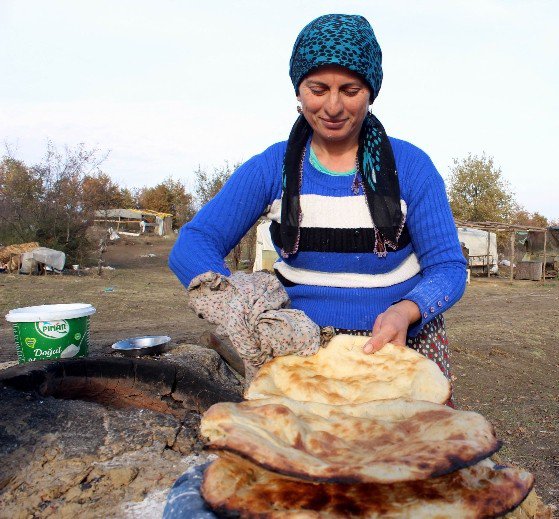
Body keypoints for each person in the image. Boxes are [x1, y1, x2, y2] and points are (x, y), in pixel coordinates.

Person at [169, 14, 466, 393]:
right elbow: (193, 244)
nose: (333, 106)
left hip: (396, 345)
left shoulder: (411, 167)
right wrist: (238, 308)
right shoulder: (272, 167)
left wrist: (406, 311)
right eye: (318, 88)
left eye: (350, 89)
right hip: (298, 352)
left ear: (371, 92)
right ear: (299, 90)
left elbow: (448, 268)